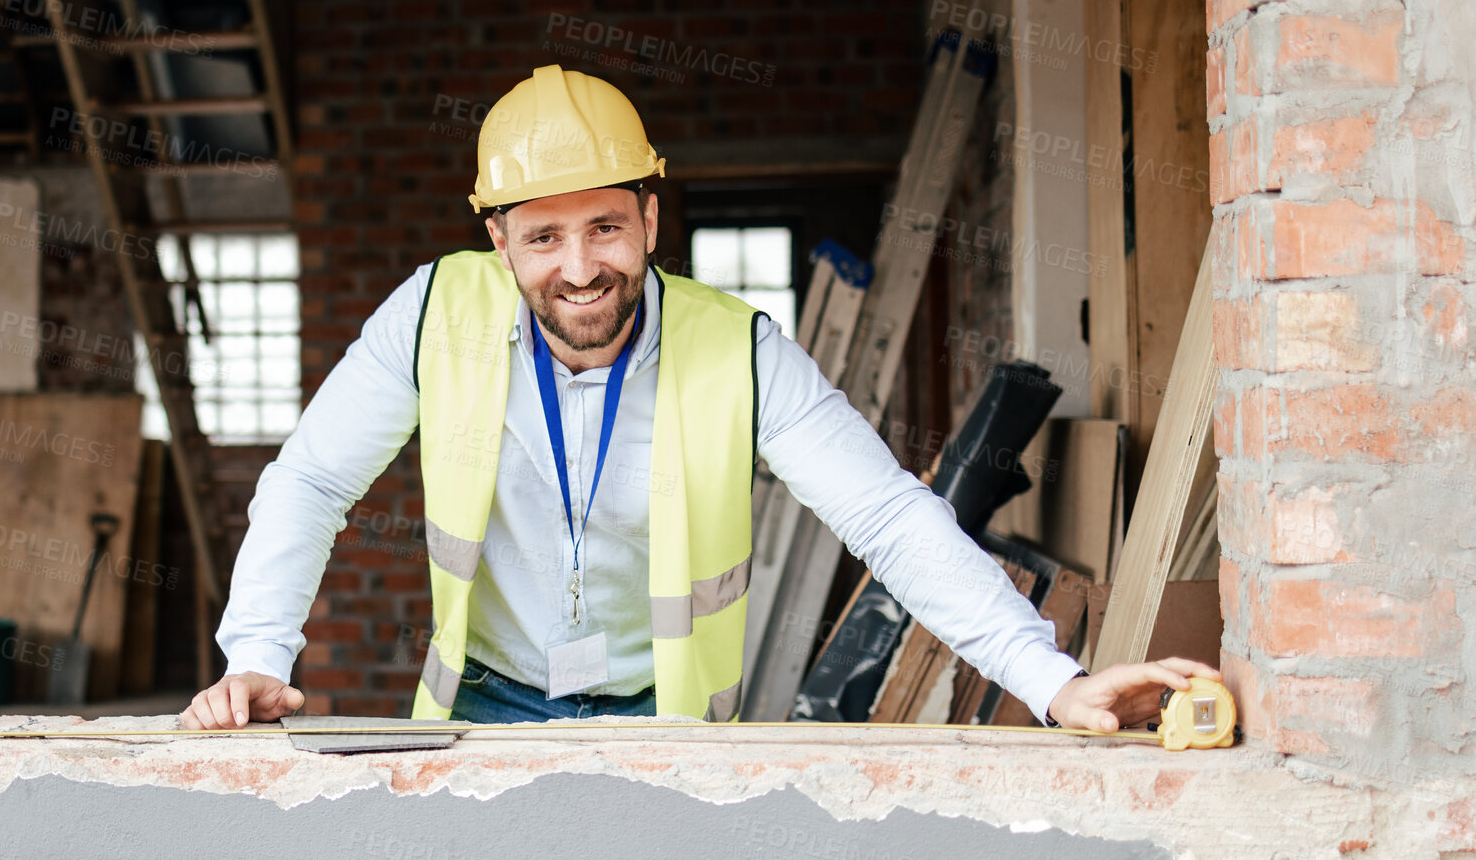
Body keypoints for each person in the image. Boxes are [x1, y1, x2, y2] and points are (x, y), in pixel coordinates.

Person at [181, 64, 1220, 730]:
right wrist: (256, 657)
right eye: (542, 235)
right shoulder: (431, 316)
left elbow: (888, 514)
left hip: (661, 719)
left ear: (648, 214)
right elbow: (311, 479)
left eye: (604, 226)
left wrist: (1049, 677)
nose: (579, 266)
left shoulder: (739, 349)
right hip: (478, 708)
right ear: (497, 240)